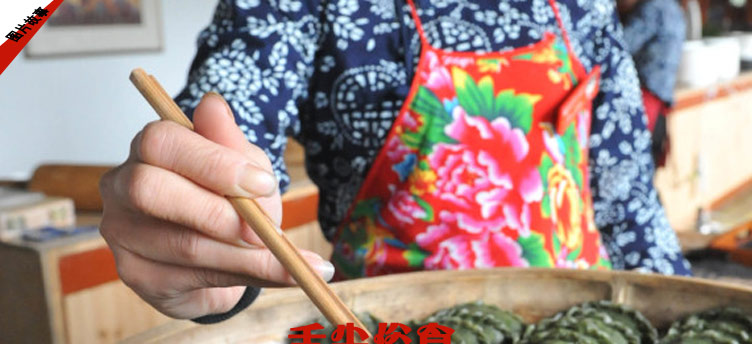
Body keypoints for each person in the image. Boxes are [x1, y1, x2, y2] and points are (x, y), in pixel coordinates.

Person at [99, 0, 691, 323]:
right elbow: (229, 112)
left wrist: (684, 333)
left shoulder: (583, 9)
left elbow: (629, 206)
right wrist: (199, 212)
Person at [617, 0, 686, 165]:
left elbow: (621, 46)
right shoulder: (673, 8)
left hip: (645, 103)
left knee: (637, 167)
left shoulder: (652, 8)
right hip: (661, 102)